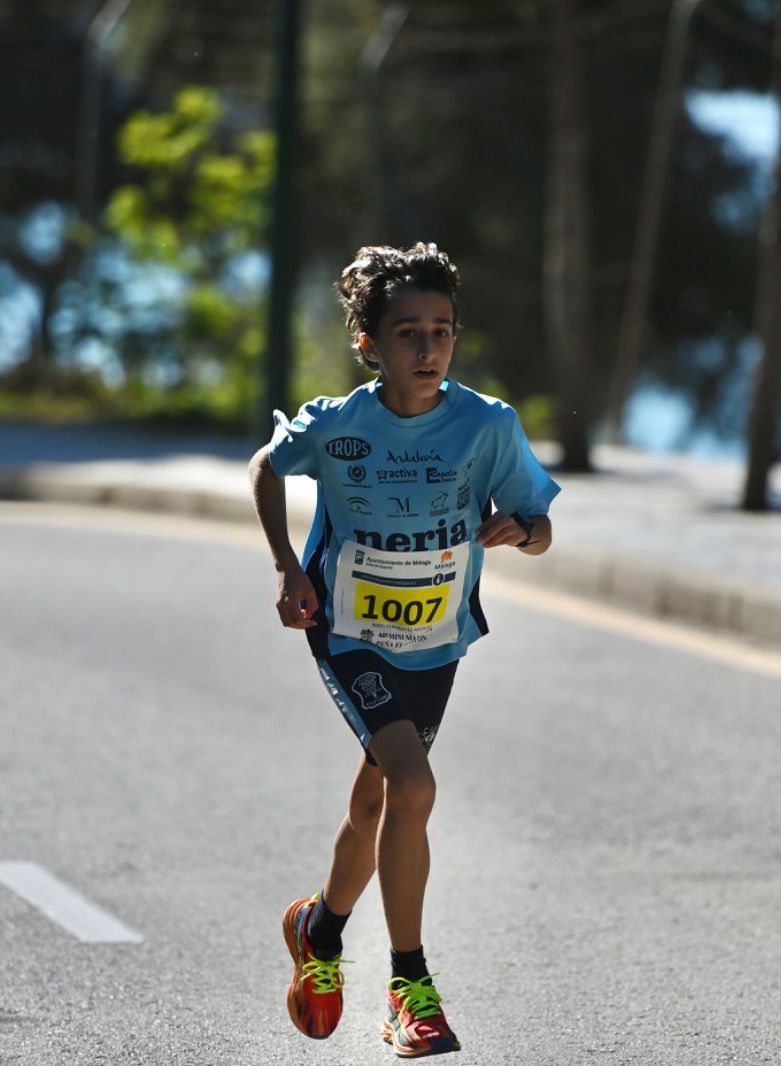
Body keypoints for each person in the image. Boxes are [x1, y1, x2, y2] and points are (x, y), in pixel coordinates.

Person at [248, 242, 559, 1058]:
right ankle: (409, 987)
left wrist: (521, 530)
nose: (428, 350)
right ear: (370, 345)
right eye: (409, 334)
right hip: (348, 631)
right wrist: (287, 567)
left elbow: (544, 528)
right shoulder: (339, 424)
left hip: (435, 639)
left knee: (378, 799)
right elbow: (266, 467)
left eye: (443, 332)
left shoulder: (487, 426)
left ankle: (319, 930)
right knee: (413, 785)